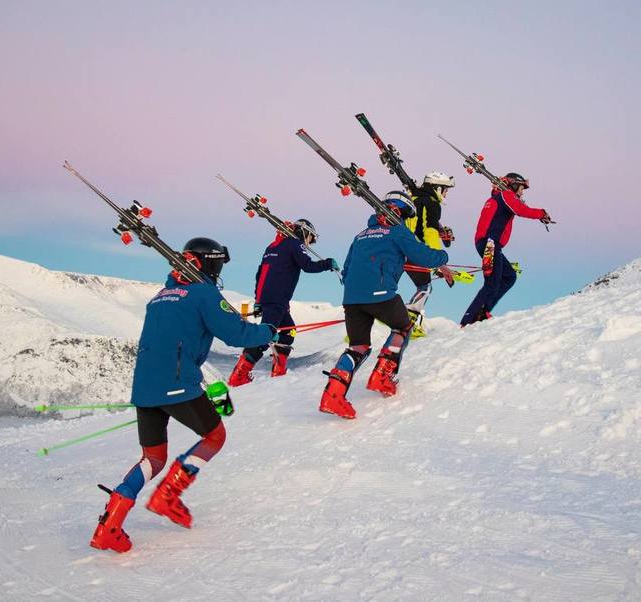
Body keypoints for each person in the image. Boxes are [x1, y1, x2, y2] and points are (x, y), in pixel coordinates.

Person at [90, 237, 276, 553]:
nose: (218, 271)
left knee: (153, 458)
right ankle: (169, 495)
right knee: (214, 436)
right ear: (206, 263)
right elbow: (236, 334)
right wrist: (269, 331)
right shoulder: (203, 293)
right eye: (217, 263)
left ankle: (110, 524)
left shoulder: (161, 296)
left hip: (145, 388)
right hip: (176, 385)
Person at [319, 192, 450, 419]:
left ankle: (333, 395)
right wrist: (443, 256)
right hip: (381, 294)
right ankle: (382, 376)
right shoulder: (398, 231)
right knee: (403, 328)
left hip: (351, 299)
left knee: (358, 347)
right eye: (407, 214)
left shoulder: (360, 236)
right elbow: (424, 256)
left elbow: (347, 269)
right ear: (400, 210)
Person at [227, 219, 337, 386]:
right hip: (277, 299)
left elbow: (260, 274)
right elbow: (307, 266)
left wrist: (259, 300)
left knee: (289, 332)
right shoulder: (294, 244)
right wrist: (327, 263)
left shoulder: (272, 247)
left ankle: (279, 372)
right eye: (310, 238)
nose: (309, 244)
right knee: (265, 335)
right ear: (304, 232)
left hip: (270, 299)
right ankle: (238, 376)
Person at [460, 173, 550, 327]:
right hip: (490, 244)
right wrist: (541, 213)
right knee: (491, 284)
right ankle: (468, 321)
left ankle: (482, 312)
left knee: (509, 276)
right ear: (513, 185)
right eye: (521, 188)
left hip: (490, 244)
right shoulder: (506, 196)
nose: (521, 193)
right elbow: (521, 210)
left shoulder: (496, 198)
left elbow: (518, 207)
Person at [404, 172, 457, 338]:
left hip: (399, 249)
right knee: (425, 287)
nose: (446, 194)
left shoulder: (412, 199)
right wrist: (438, 260)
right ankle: (408, 326)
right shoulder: (432, 203)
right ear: (437, 188)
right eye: (445, 190)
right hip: (415, 251)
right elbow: (430, 232)